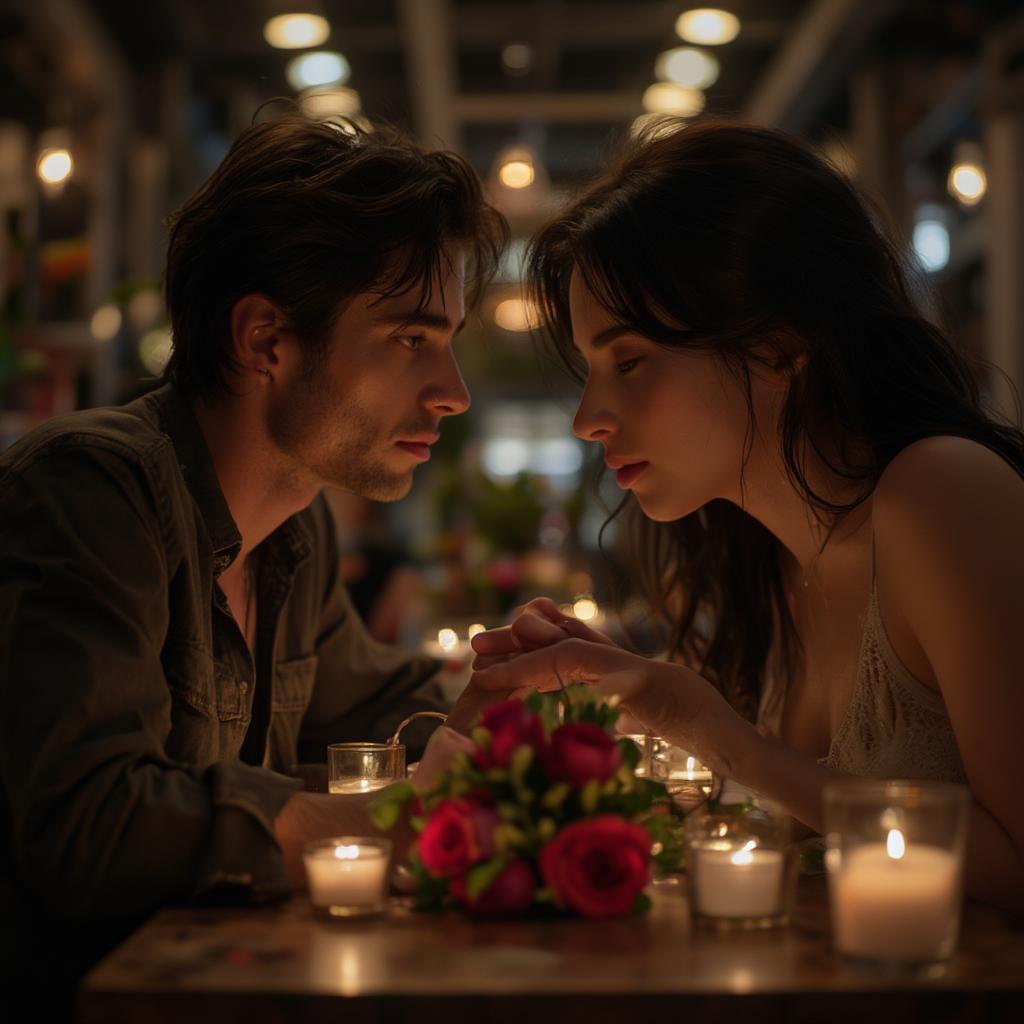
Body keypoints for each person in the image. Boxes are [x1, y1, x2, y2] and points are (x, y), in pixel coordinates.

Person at [0, 114, 508, 996]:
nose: (453, 393)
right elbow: (89, 821)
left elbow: (376, 707)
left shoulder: (294, 526)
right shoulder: (91, 490)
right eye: (411, 340)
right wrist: (350, 826)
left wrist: (508, 701)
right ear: (265, 339)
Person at [469, 120, 1024, 913]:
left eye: (629, 362)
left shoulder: (942, 495)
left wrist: (714, 731)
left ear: (779, 347)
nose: (588, 417)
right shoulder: (765, 560)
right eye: (591, 372)